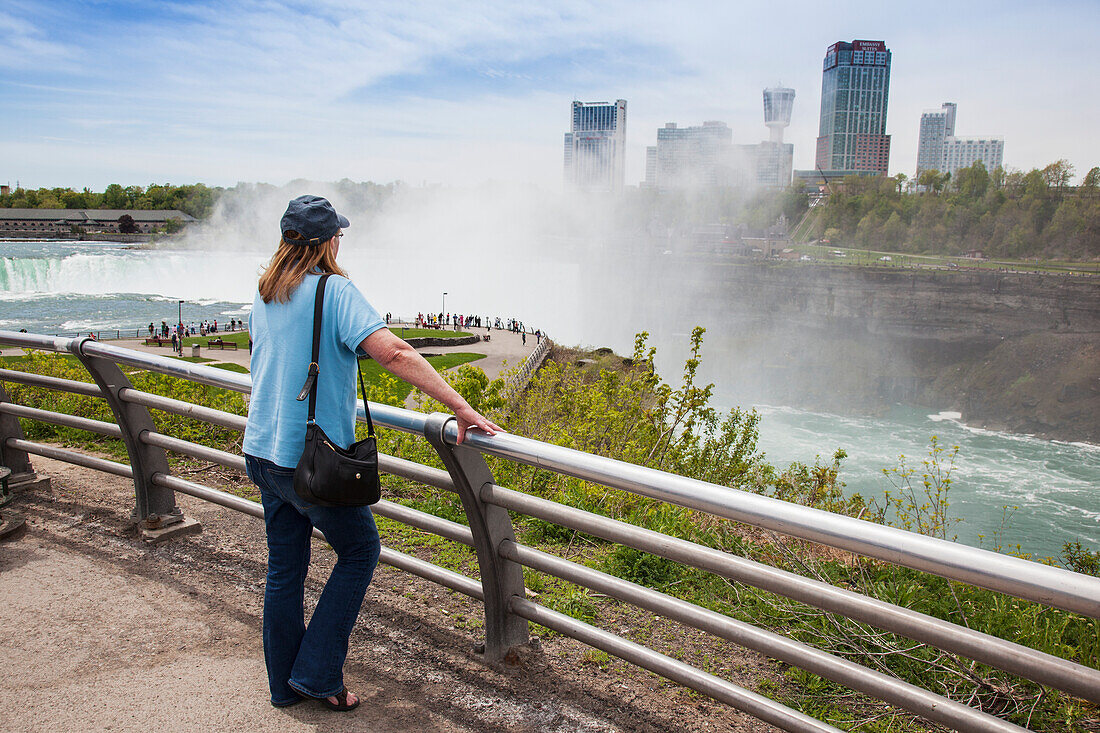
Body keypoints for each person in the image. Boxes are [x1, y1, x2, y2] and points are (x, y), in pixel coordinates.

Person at [242, 195, 501, 713]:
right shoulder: (333, 291)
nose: (341, 241)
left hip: (262, 453)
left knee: (285, 571)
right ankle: (316, 675)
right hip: (309, 462)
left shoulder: (267, 293)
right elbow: (396, 352)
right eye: (338, 234)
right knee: (360, 552)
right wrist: (460, 407)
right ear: (326, 243)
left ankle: (284, 686)